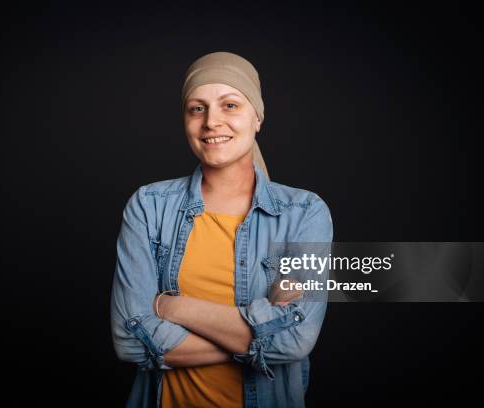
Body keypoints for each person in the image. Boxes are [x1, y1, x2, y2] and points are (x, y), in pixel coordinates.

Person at [111, 51, 333, 408]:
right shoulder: (148, 206)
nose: (212, 121)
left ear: (257, 117)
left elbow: (296, 340)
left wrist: (172, 308)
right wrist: (258, 335)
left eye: (230, 105)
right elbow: (130, 340)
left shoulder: (304, 213)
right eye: (197, 108)